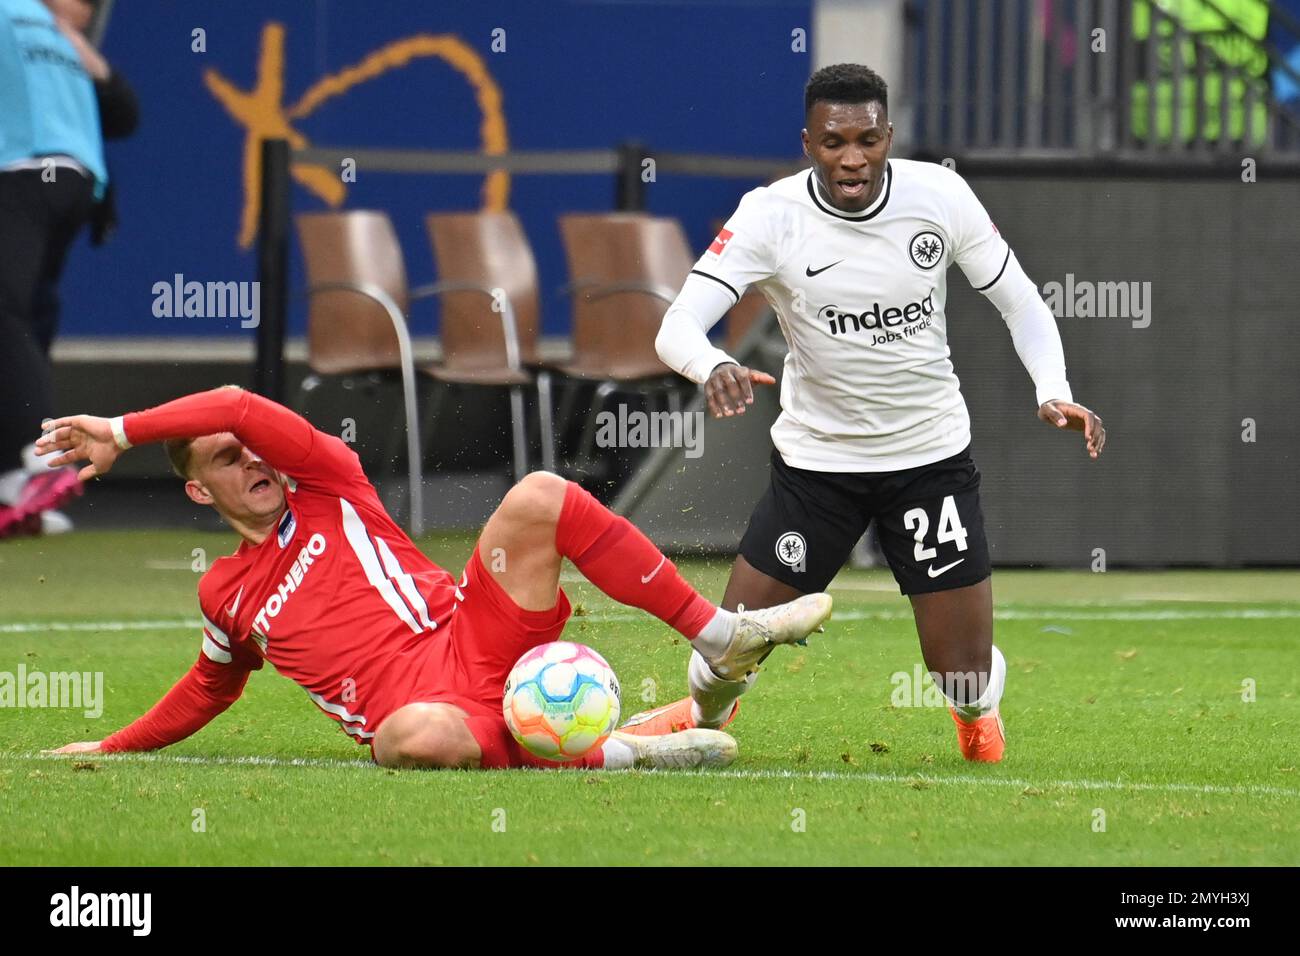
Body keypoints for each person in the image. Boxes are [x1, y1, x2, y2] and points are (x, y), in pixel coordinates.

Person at [625, 64, 1107, 763]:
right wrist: (716, 366)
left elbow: (1022, 301)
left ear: (888, 136)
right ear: (807, 143)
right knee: (729, 644)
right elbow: (677, 328)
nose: (852, 158)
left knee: (962, 675)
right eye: (833, 142)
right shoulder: (770, 215)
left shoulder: (940, 196)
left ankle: (976, 714)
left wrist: (1051, 388)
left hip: (930, 463)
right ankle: (700, 718)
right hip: (817, 470)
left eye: (867, 139)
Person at [36, 386, 832, 770]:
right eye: (224, 460)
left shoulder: (328, 483)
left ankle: (722, 638)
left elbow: (241, 405)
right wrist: (114, 743)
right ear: (198, 491)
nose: (251, 459)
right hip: (424, 711)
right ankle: (627, 753)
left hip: (470, 632)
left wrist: (119, 430)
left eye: (249, 450)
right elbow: (210, 687)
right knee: (407, 740)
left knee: (539, 498)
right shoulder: (225, 594)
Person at [0, 0, 137, 537]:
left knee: (5, 313)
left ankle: (35, 463)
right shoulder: (61, 37)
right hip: (76, 185)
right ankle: (14, 481)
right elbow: (126, 113)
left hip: (22, 173)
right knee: (29, 321)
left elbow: (126, 114)